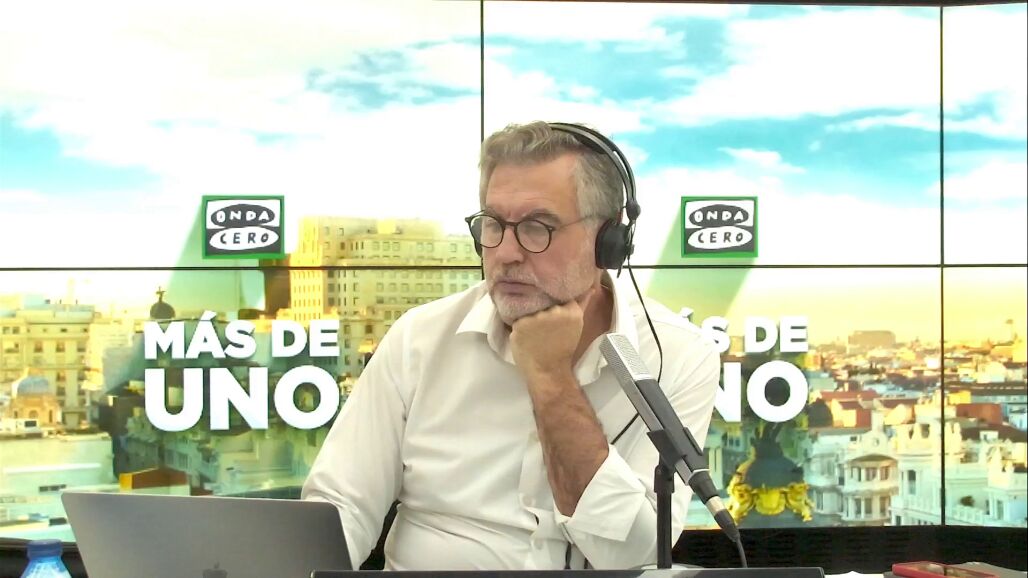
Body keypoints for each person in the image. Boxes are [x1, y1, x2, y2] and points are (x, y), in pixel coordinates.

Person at [301, 121, 720, 570]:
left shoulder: (676, 354)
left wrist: (550, 376)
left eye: (537, 227)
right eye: (493, 224)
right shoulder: (419, 338)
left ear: (608, 241)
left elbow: (632, 556)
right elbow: (341, 508)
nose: (505, 252)